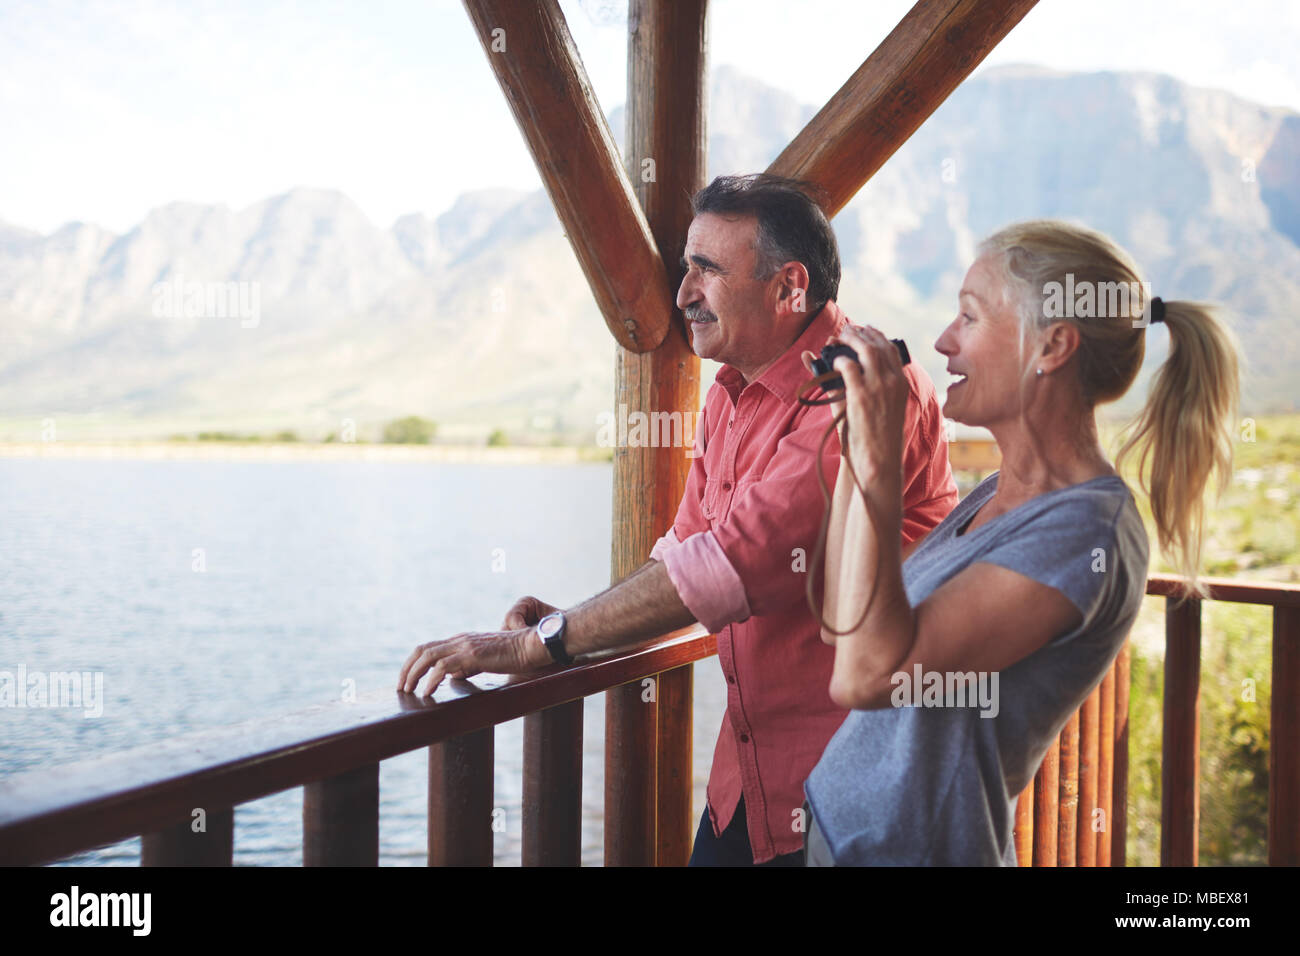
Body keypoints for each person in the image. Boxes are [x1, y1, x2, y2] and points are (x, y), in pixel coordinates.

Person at [397, 174, 958, 866]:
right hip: (749, 787)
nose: (683, 293)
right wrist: (576, 622)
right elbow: (684, 553)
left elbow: (737, 560)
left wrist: (534, 646)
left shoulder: (866, 387)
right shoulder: (729, 394)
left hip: (858, 799)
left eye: (707, 271)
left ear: (789, 288)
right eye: (685, 267)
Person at [801, 219, 1239, 865]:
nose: (943, 341)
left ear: (1053, 345)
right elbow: (845, 628)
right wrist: (857, 438)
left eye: (969, 318)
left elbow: (869, 676)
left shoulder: (1088, 532)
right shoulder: (996, 496)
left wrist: (878, 461)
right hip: (843, 836)